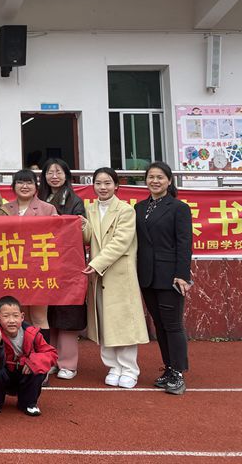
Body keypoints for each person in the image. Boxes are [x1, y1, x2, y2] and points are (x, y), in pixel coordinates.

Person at [82, 167, 149, 389]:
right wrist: (80, 226)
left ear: (116, 185)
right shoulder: (90, 209)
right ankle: (113, 366)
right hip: (98, 275)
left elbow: (121, 242)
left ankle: (129, 369)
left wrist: (96, 263)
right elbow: (88, 237)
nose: (103, 187)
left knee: (124, 323)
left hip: (119, 273)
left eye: (107, 183)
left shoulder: (126, 210)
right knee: (105, 322)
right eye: (98, 183)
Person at [135, 161, 192, 395]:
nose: (155, 181)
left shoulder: (179, 208)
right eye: (151, 177)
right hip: (147, 276)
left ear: (169, 181)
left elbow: (184, 243)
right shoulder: (139, 207)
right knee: (159, 325)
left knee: (173, 325)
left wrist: (182, 275)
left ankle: (178, 373)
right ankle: (168, 368)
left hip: (170, 277)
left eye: (160, 177)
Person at [38, 158, 87, 381]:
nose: (54, 176)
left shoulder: (75, 201)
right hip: (43, 263)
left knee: (67, 313)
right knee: (47, 314)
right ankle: (50, 360)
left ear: (67, 175)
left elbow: (77, 230)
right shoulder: (39, 199)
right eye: (50, 172)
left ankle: (68, 362)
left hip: (67, 264)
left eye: (59, 172)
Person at [0, 169, 57, 345]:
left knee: (39, 316)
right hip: (11, 267)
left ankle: (43, 357)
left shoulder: (48, 209)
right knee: (14, 315)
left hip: (38, 269)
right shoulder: (4, 209)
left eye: (29, 182)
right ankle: (18, 355)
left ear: (36, 187)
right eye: (20, 182)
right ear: (13, 186)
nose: (24, 186)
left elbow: (57, 237)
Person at [0, 295, 58, 416]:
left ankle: (28, 403)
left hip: (24, 374)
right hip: (4, 375)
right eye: (6, 316)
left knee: (38, 370)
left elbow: (51, 353)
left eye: (15, 316)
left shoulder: (32, 333)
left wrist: (32, 363)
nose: (11, 320)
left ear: (22, 317)